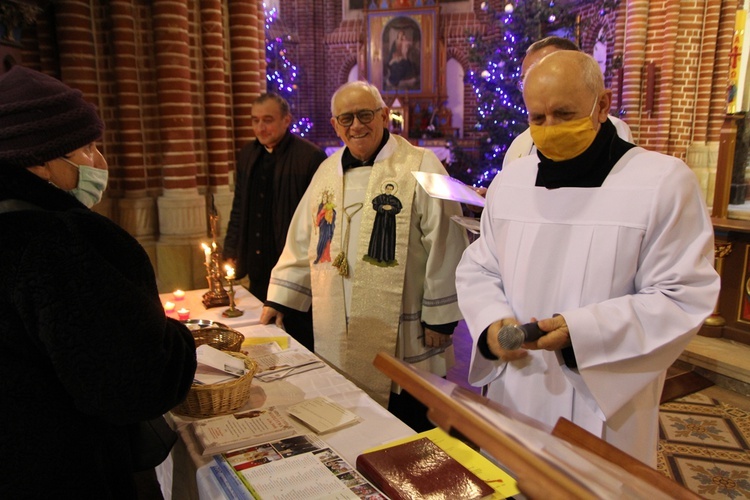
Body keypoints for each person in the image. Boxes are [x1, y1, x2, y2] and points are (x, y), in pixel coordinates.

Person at [455, 51, 720, 466]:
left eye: (564, 114)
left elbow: (682, 295)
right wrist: (491, 323)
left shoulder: (662, 183)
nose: (550, 129)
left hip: (604, 400)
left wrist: (581, 332)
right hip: (517, 388)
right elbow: (480, 266)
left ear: (603, 106)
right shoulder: (511, 182)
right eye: (537, 118)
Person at [0, 66, 197, 497]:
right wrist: (175, 342)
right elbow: (134, 384)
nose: (101, 163)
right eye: (88, 148)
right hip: (61, 471)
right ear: (40, 161)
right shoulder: (62, 241)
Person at [262, 81, 468, 431]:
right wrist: (279, 299)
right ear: (335, 124)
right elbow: (303, 241)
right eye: (346, 118)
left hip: (407, 331)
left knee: (411, 426)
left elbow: (447, 239)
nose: (356, 125)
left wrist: (441, 317)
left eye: (365, 115)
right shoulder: (326, 173)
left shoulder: (421, 163)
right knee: (351, 421)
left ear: (384, 116)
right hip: (339, 328)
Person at [223, 93, 326, 351]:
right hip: (258, 267)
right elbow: (239, 208)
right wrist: (230, 252)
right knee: (262, 341)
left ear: (286, 120)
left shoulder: (310, 157)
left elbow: (319, 221)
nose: (260, 127)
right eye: (255, 120)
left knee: (297, 343)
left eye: (267, 120)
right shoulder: (248, 154)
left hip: (292, 269)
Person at [502, 36, 633, 167]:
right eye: (526, 79)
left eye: (549, 69)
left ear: (602, 105)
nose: (537, 80)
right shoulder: (520, 144)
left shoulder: (612, 131)